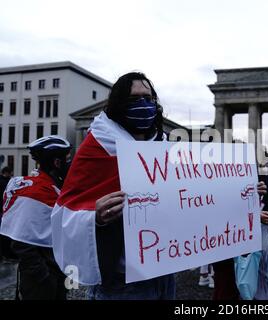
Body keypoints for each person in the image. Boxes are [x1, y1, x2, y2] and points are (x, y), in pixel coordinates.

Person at [51, 72, 175, 300]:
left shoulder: (163, 145)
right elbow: (64, 211)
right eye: (134, 99)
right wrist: (95, 217)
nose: (143, 105)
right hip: (122, 282)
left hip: (165, 274)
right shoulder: (97, 147)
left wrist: (241, 193)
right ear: (119, 104)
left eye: (148, 98)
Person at [0, 136, 72, 299]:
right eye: (67, 160)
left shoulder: (54, 188)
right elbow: (21, 242)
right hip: (40, 281)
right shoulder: (35, 192)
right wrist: (43, 276)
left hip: (58, 273)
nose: (70, 164)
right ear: (57, 163)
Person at [0, 166, 16, 261]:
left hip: (4, 209)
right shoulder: (5, 182)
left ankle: (5, 254)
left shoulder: (6, 181)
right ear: (7, 172)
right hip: (4, 210)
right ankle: (6, 254)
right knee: (5, 234)